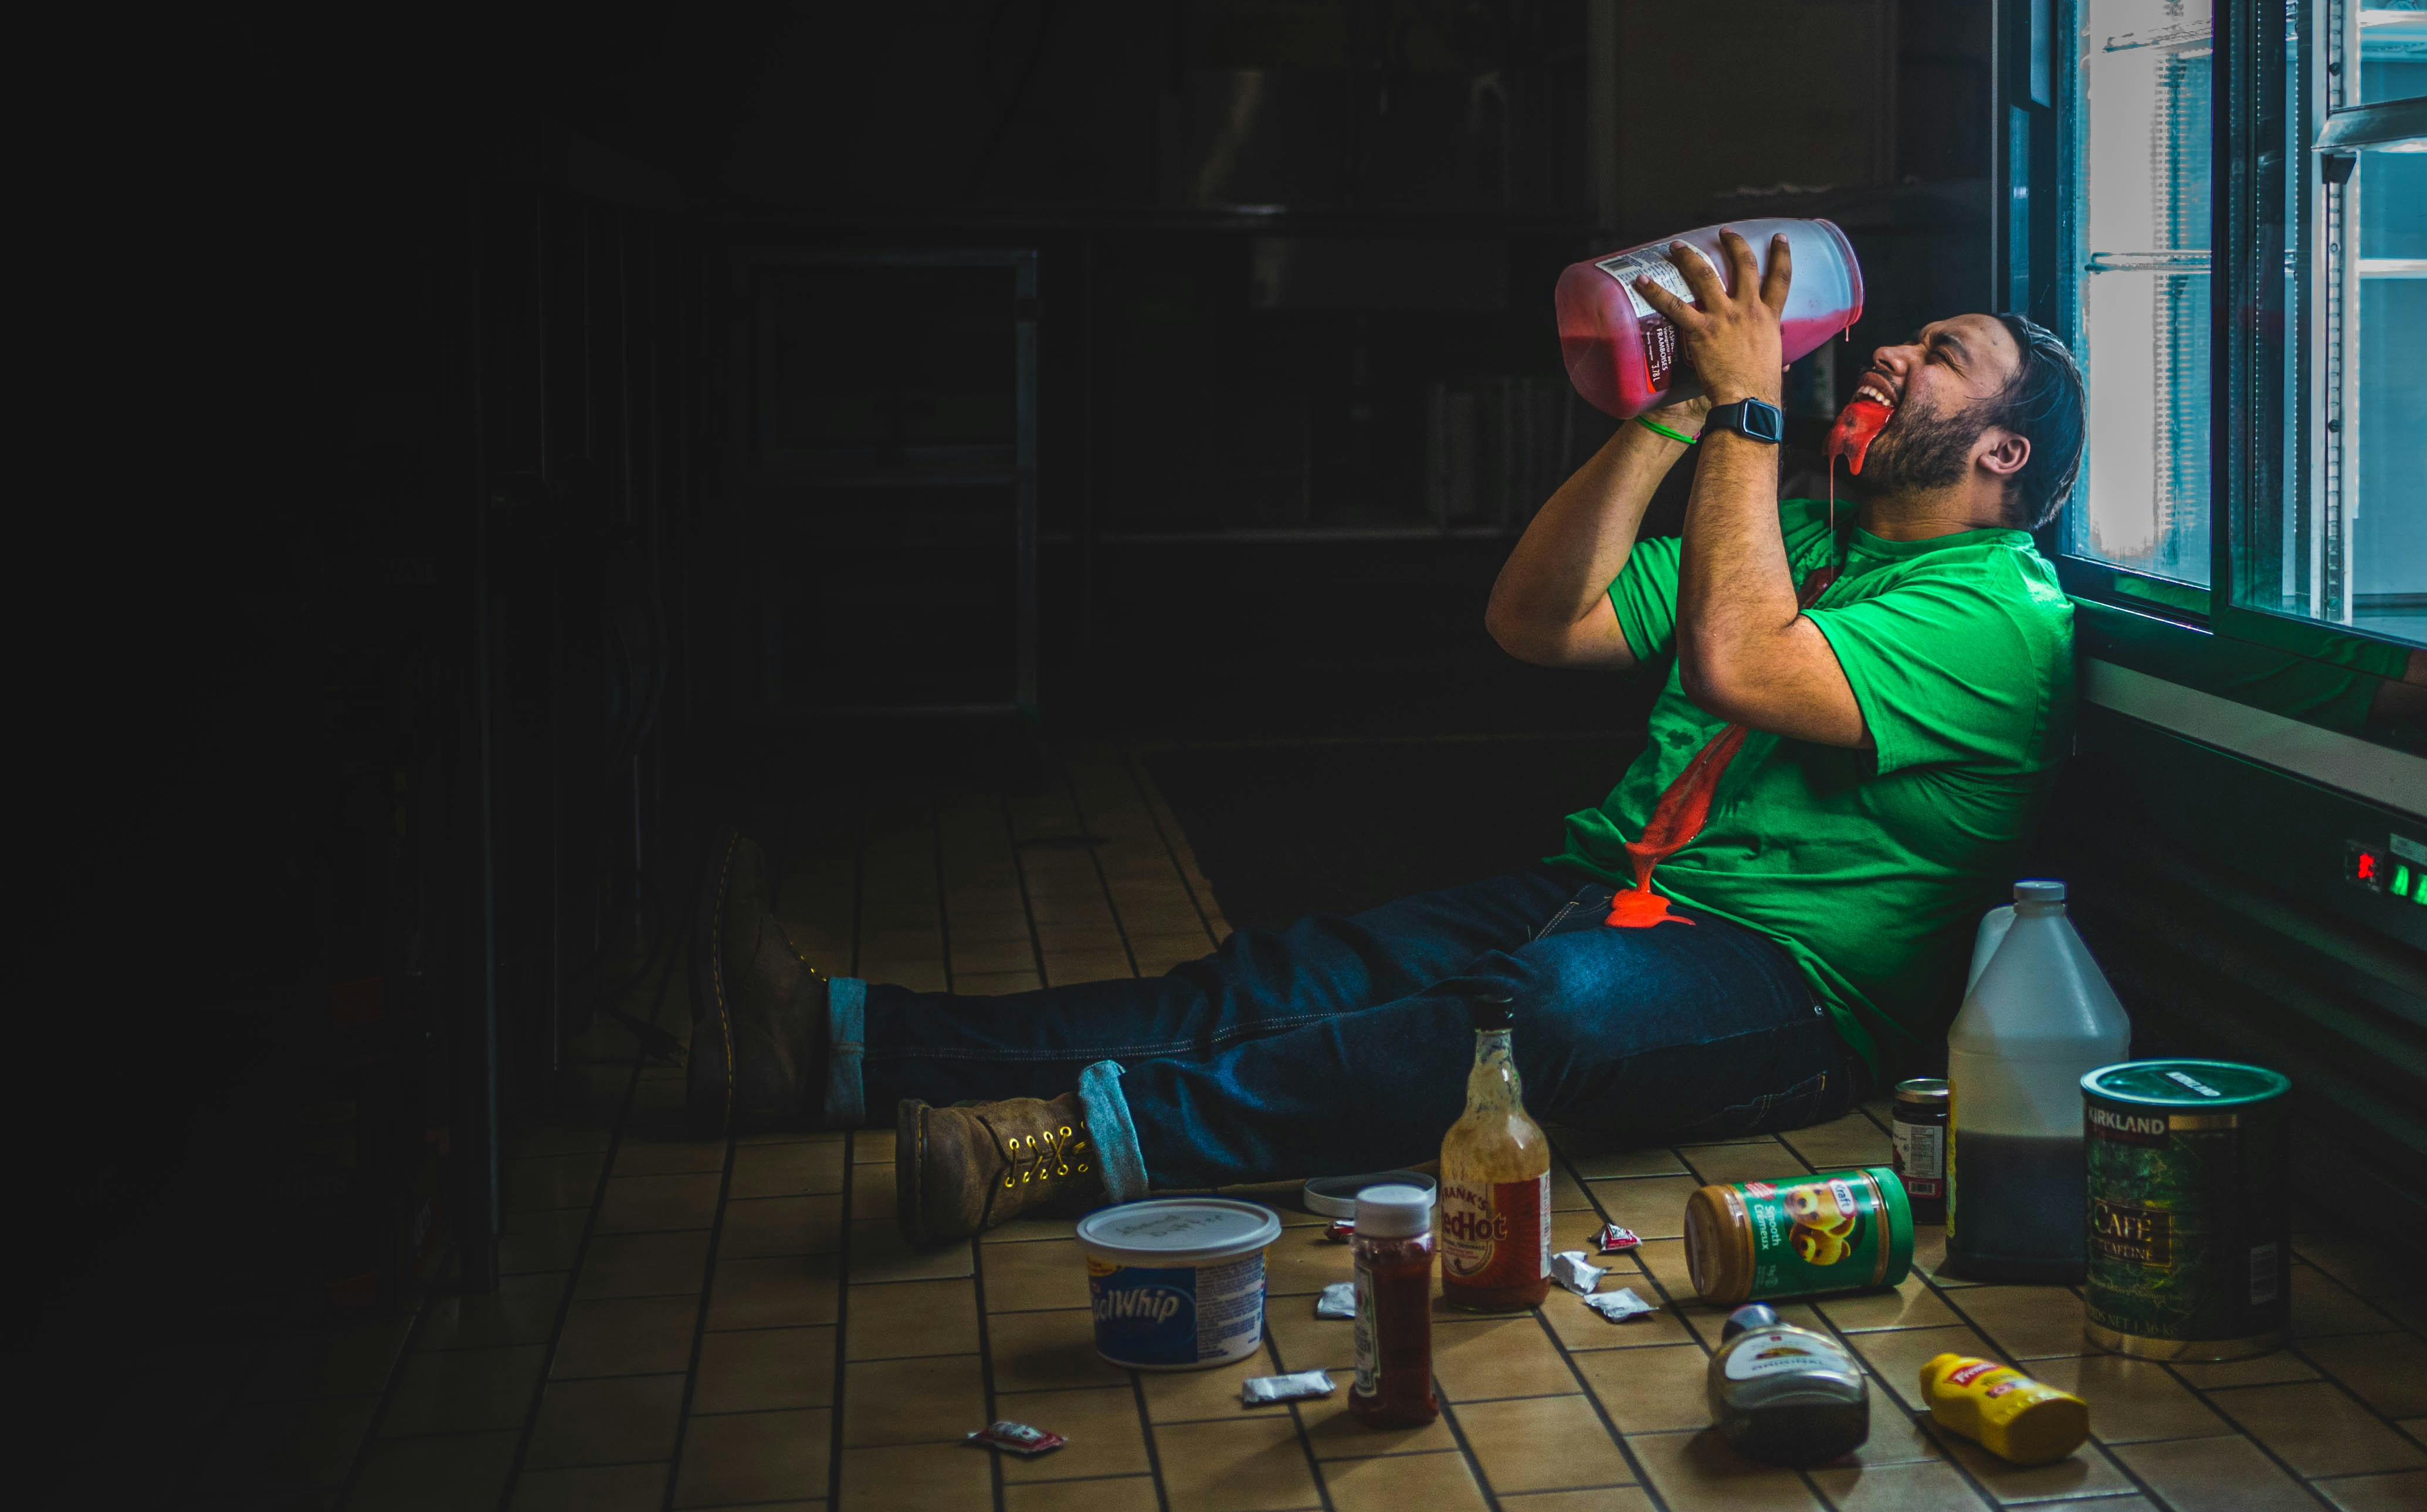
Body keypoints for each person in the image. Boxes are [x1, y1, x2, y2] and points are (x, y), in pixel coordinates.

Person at [690, 230, 2087, 1244]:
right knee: (1284, 974)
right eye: (1909, 335)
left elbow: (1736, 659)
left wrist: (1747, 406)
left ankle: (1068, 1141)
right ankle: (835, 1045)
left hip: (1786, 989)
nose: (1895, 351)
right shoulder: (1791, 535)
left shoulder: (1999, 612)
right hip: (1614, 885)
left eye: (1942, 357)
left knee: (1536, 1013)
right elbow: (1538, 618)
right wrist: (1674, 411)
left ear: (2001, 453)